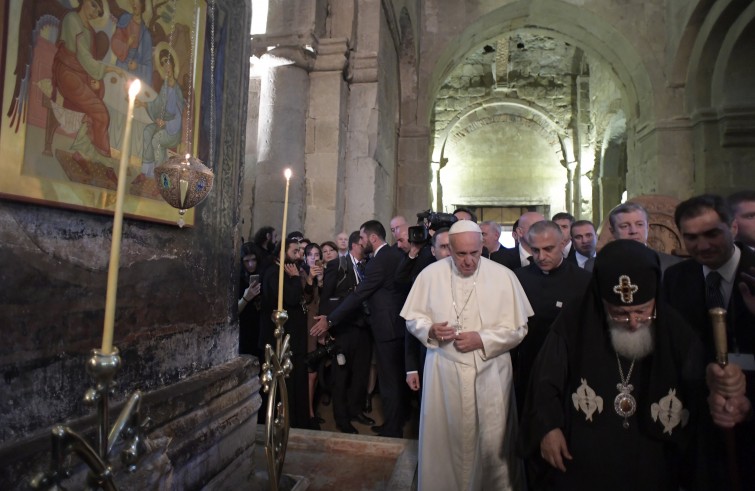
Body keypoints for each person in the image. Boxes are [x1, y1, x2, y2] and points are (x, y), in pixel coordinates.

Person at [520, 239, 706, 491]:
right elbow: (544, 383)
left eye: (642, 311)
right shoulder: (574, 322)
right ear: (600, 299)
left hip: (652, 454)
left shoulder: (675, 329)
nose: (632, 322)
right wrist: (548, 428)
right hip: (587, 455)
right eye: (619, 312)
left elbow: (698, 393)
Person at [401, 220, 533, 490]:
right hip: (443, 371)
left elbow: (519, 329)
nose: (469, 261)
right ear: (449, 249)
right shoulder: (430, 275)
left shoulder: (503, 276)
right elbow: (413, 318)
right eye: (461, 254)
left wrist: (482, 339)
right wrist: (430, 330)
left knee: (492, 443)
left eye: (475, 253)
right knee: (445, 440)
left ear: (482, 246)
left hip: (491, 372)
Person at [663, 194, 755, 488]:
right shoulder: (676, 278)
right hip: (701, 415)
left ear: (733, 228)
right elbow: (674, 345)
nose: (702, 246)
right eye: (691, 237)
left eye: (712, 233)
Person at [311, 220, 407, 437]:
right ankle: (360, 419)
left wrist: (330, 320)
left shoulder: (379, 261)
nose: (360, 241)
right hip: (359, 327)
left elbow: (359, 295)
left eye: (362, 237)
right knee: (351, 376)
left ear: (372, 238)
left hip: (383, 326)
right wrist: (329, 320)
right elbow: (331, 297)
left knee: (387, 379)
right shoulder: (388, 257)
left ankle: (392, 428)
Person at [513, 221, 591, 418]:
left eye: (548, 249)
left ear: (563, 243)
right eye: (535, 250)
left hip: (567, 366)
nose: (541, 257)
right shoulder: (517, 279)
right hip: (527, 365)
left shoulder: (584, 281)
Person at [52, 0, 123, 163]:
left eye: (99, 10)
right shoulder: (72, 19)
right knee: (102, 114)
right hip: (67, 72)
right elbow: (82, 56)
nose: (95, 11)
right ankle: (100, 157)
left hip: (81, 74)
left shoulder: (90, 30)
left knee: (100, 93)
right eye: (93, 4)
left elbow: (88, 61)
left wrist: (95, 80)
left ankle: (83, 151)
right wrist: (107, 70)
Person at [318, 231, 374, 433]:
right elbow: (326, 298)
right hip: (343, 329)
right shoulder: (337, 265)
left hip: (364, 328)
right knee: (340, 375)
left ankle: (355, 410)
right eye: (364, 241)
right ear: (355, 245)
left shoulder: (368, 266)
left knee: (360, 373)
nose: (367, 244)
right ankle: (341, 418)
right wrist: (325, 328)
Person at [259, 238, 311, 429]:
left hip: (292, 339)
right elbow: (290, 298)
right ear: (282, 252)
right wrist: (296, 278)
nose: (299, 255)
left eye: (300, 251)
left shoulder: (287, 271)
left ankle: (297, 420)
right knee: (284, 383)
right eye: (295, 251)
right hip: (279, 341)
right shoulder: (274, 273)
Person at [138, 47, 184, 178]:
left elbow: (179, 118)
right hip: (162, 124)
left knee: (157, 139)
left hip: (173, 130)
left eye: (167, 63)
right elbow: (157, 104)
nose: (165, 68)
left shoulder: (177, 91)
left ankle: (161, 176)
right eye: (163, 65)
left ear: (173, 65)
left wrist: (166, 123)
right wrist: (143, 104)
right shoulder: (164, 87)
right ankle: (146, 171)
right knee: (147, 131)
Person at [607, 202, 681, 273]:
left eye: (639, 224)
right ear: (612, 231)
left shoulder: (672, 264)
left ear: (647, 228)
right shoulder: (601, 264)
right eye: (624, 226)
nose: (633, 231)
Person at [302, 242, 325, 429]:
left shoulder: (320, 275)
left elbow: (325, 300)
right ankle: (308, 413)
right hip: (307, 327)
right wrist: (311, 277)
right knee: (310, 373)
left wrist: (322, 280)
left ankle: (311, 409)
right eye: (310, 254)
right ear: (305, 257)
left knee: (317, 371)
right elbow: (306, 298)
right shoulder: (302, 275)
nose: (314, 257)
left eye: (317, 254)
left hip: (320, 324)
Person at [111, 0, 153, 84]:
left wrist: (137, 66)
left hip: (135, 72)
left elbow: (148, 63)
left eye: (137, 2)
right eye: (133, 1)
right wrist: (127, 44)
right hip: (122, 64)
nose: (134, 4)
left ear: (142, 5)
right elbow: (114, 41)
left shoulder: (145, 34)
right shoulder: (125, 19)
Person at [238, 242, 263, 359]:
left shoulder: (264, 275)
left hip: (261, 330)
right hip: (245, 331)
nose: (251, 265)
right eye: (247, 261)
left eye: (253, 260)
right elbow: (234, 312)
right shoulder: (237, 279)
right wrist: (246, 298)